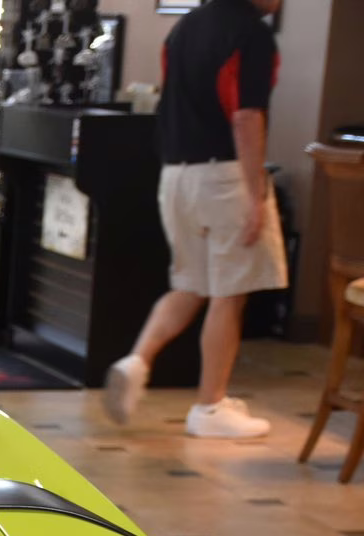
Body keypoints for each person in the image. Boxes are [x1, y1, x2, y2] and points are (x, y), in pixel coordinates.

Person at [103, 0, 286, 439]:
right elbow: (245, 116)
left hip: (175, 175)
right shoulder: (251, 34)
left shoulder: (185, 27)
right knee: (230, 293)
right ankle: (210, 405)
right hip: (224, 175)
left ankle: (137, 361)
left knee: (190, 284)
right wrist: (256, 190)